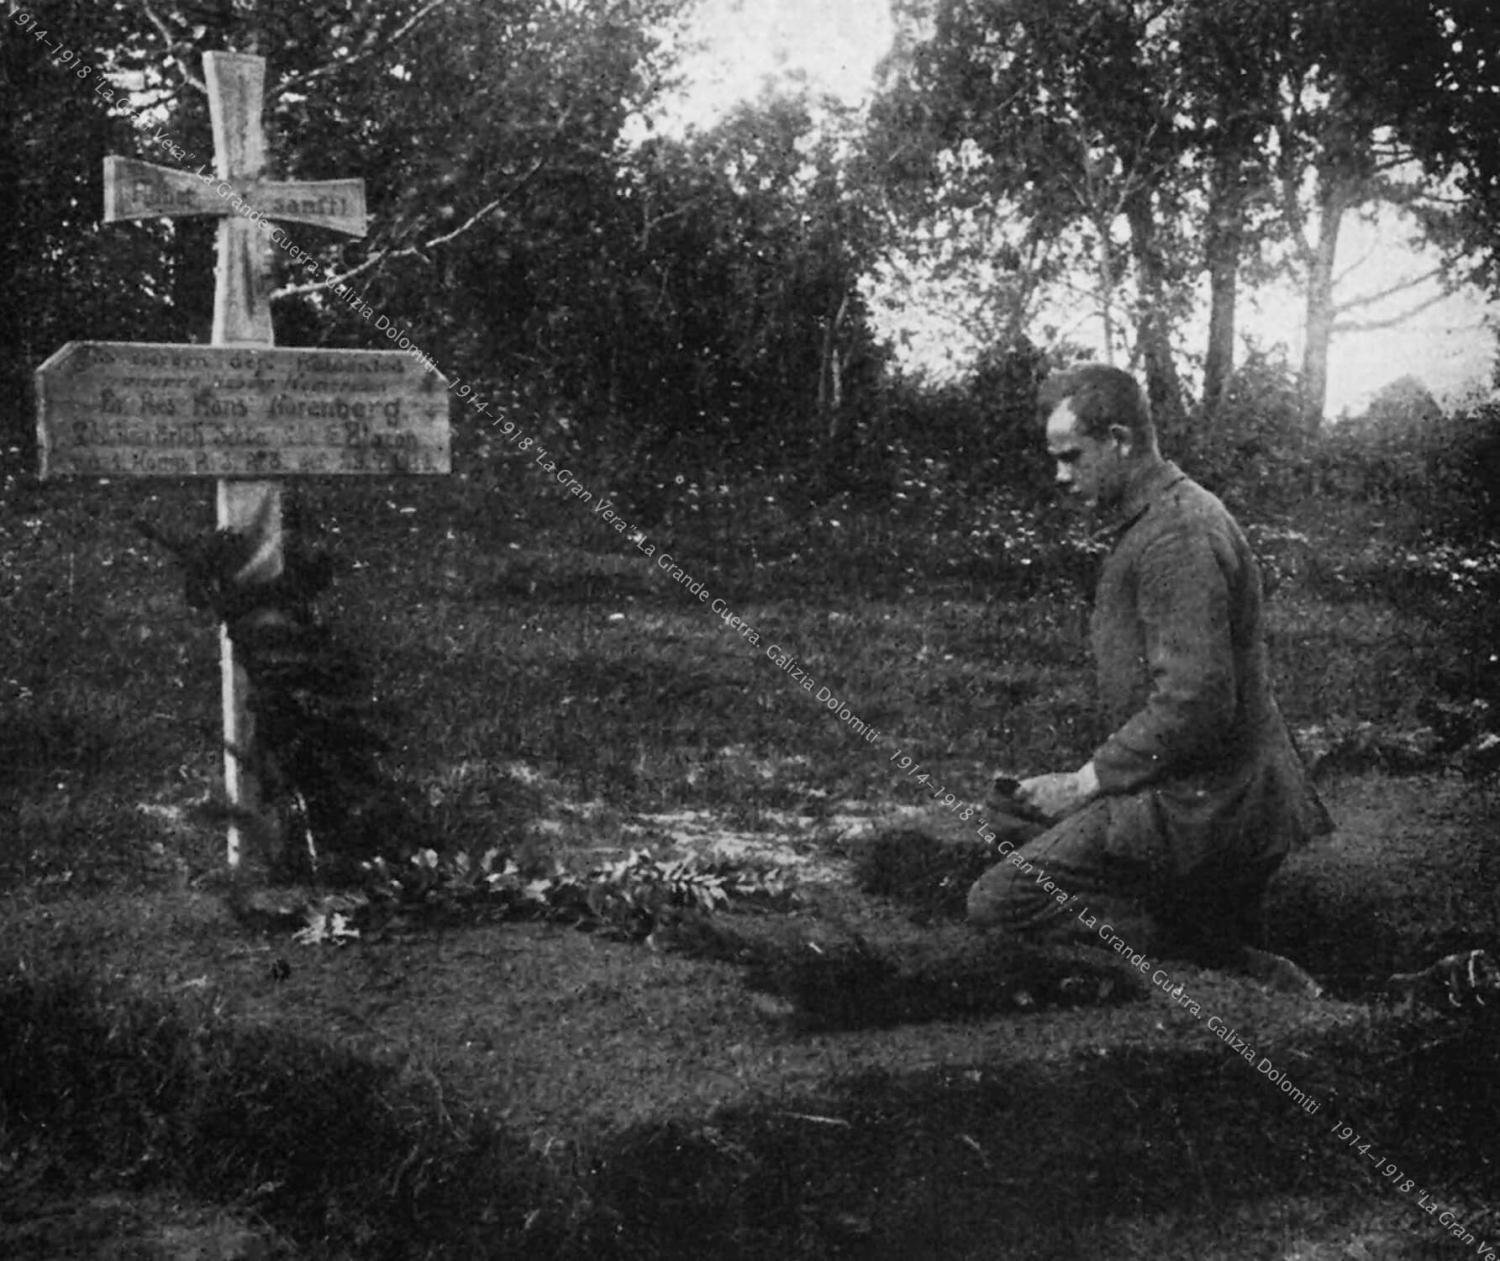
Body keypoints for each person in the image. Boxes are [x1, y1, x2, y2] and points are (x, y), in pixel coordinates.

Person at [966, 364, 1332, 991]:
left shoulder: (1177, 538)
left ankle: (1221, 960)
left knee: (1001, 902)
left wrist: (1085, 783)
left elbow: (1195, 703)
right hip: (1197, 789)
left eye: (1072, 457)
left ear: (1120, 440)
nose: (1060, 475)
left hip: (1210, 806)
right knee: (1007, 817)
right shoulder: (1160, 519)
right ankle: (1192, 918)